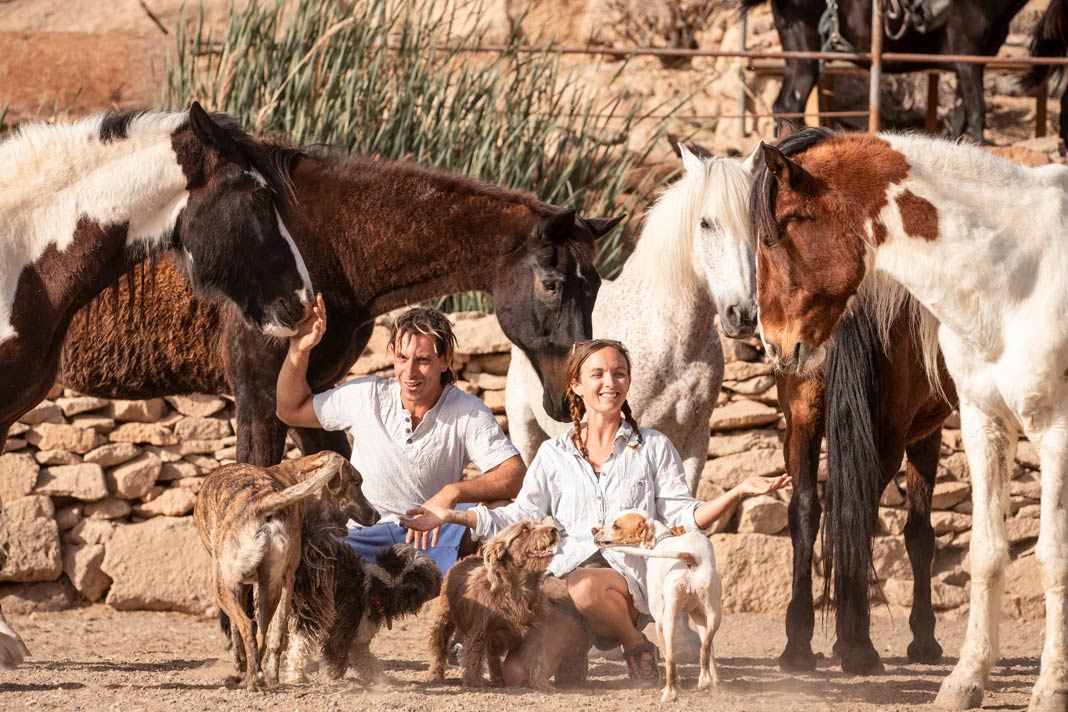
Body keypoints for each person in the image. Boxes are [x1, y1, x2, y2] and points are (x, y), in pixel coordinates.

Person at [402, 338, 791, 687]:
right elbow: (520, 516)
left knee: (586, 584)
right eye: (598, 374)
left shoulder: (653, 447)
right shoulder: (554, 454)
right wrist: (452, 514)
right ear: (575, 385)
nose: (610, 382)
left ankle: (636, 646)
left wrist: (736, 492)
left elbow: (683, 516)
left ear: (628, 383)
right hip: (564, 592)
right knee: (515, 675)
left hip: (623, 589)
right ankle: (576, 652)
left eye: (619, 374)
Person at [276, 294, 525, 573]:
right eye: (402, 358)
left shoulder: (467, 410)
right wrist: (299, 348)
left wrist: (452, 493)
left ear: (445, 360)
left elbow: (515, 474)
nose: (410, 372)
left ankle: (469, 603)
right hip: (364, 537)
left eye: (423, 360)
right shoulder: (367, 395)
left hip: (434, 536)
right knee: (298, 548)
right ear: (393, 354)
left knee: (499, 512)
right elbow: (290, 410)